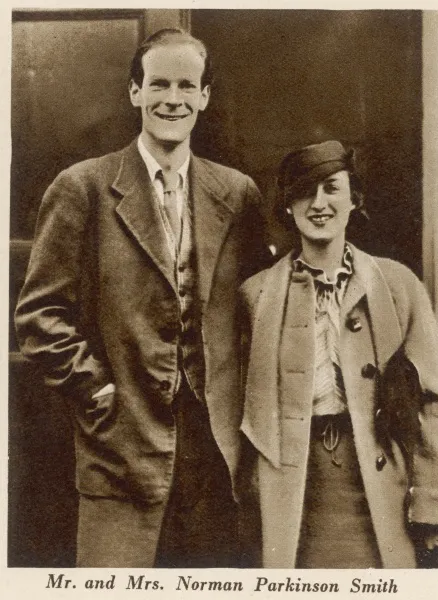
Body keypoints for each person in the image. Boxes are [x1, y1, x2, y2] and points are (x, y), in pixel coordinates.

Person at [15, 28, 268, 568]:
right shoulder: (83, 186)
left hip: (214, 451)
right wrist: (98, 392)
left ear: (204, 96)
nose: (171, 99)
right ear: (135, 93)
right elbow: (40, 315)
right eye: (158, 84)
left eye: (186, 86)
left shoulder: (237, 193)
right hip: (121, 446)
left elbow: (257, 308)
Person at [238, 140, 438, 568]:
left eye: (331, 188)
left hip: (380, 491)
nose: (318, 203)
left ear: (354, 199)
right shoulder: (255, 297)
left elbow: (437, 405)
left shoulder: (397, 286)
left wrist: (433, 509)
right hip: (291, 494)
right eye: (303, 191)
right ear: (288, 206)